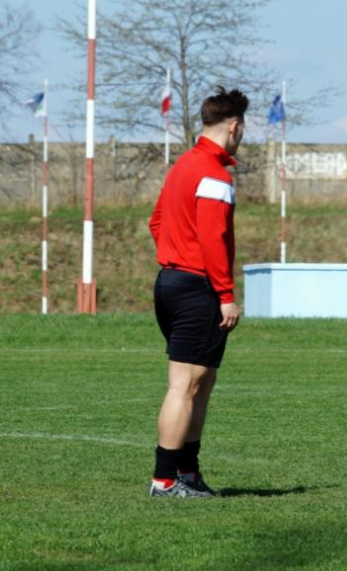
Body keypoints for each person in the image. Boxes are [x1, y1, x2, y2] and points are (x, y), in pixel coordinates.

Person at [147, 86, 248, 497]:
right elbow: (211, 237)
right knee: (184, 384)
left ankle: (187, 474)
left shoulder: (183, 166)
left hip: (172, 282)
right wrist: (225, 293)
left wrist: (173, 253)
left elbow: (156, 221)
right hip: (196, 286)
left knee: (200, 382)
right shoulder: (213, 173)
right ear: (234, 126)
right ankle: (165, 480)